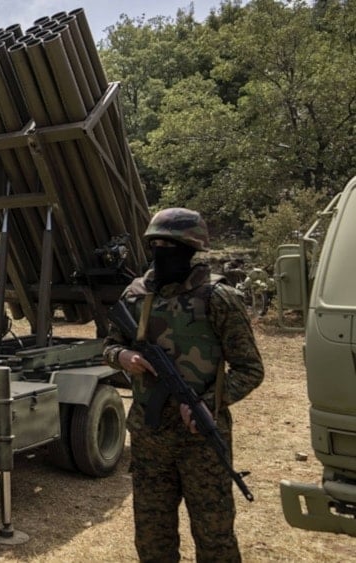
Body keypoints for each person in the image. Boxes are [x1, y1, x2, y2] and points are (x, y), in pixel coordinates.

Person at [103, 208, 264, 562]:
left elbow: (250, 369)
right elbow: (109, 345)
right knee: (152, 540)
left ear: (190, 249)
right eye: (155, 244)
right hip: (149, 438)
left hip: (201, 443)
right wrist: (122, 357)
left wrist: (207, 403)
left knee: (215, 538)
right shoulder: (135, 295)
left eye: (170, 245)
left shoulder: (218, 298)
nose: (161, 251)